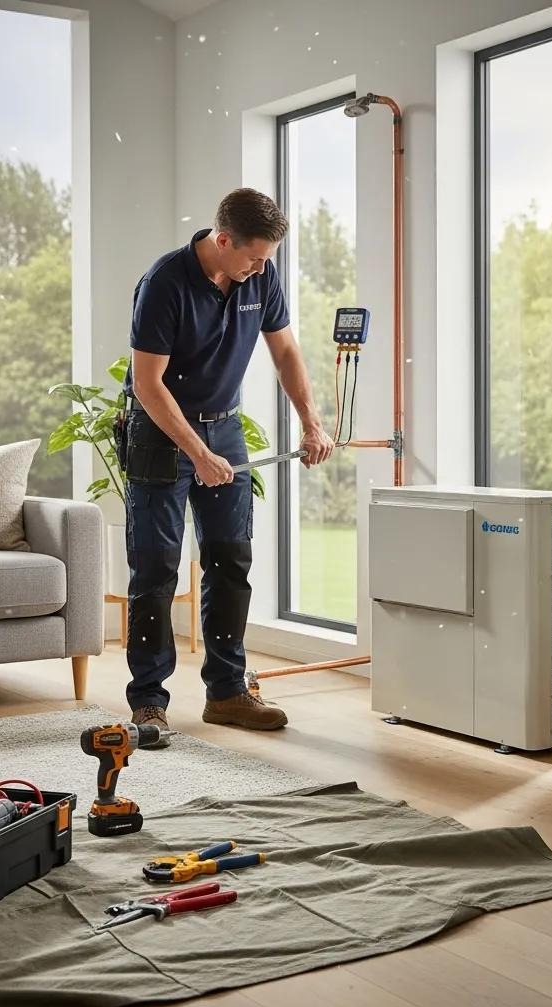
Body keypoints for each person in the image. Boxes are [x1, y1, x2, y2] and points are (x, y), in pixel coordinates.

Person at [121, 188, 334, 747]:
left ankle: (226, 693)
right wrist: (196, 450)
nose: (262, 268)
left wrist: (311, 423)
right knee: (157, 569)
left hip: (226, 426)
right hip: (161, 432)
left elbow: (286, 352)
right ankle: (148, 702)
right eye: (254, 257)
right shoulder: (165, 283)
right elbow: (148, 384)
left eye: (267, 259)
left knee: (230, 560)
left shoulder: (259, 277)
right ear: (222, 240)